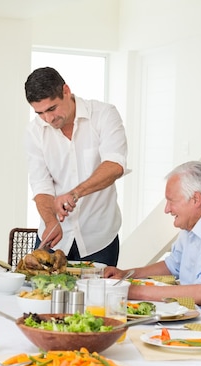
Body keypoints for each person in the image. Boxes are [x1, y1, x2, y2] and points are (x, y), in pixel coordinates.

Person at [104, 161, 201, 322]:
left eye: (171, 201)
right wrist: (126, 274)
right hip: (190, 315)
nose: (167, 209)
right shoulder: (193, 224)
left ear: (196, 199)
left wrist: (133, 291)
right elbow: (173, 265)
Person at [23, 67, 127, 266]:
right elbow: (41, 185)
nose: (48, 119)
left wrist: (74, 193)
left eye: (52, 109)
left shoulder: (104, 114)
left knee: (98, 298)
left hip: (99, 240)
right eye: (40, 113)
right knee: (40, 295)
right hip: (55, 238)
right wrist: (50, 220)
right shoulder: (34, 132)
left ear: (66, 91)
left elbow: (115, 165)